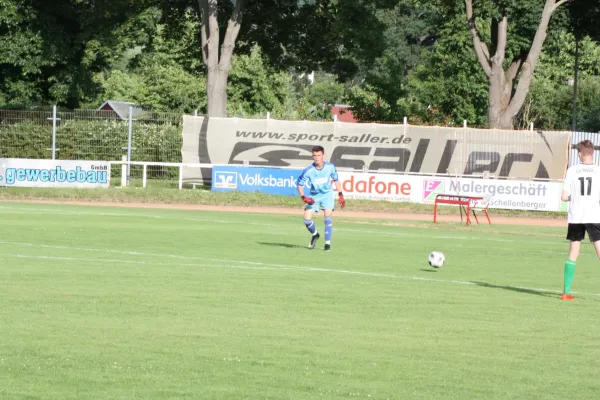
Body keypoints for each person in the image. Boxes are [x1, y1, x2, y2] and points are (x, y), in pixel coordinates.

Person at [560, 139, 600, 300]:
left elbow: (563, 196)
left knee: (573, 253)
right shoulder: (598, 171)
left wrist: (573, 197)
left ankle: (566, 291)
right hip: (593, 216)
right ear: (593, 153)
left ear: (579, 154)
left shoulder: (572, 171)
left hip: (576, 216)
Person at [295, 145, 345, 252]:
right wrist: (304, 197)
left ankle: (327, 244)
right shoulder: (308, 170)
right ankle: (315, 234)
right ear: (312, 156)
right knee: (307, 220)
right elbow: (299, 184)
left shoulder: (330, 167)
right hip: (314, 196)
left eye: (319, 155)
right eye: (315, 155)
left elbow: (336, 180)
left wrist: (340, 194)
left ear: (323, 156)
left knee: (327, 219)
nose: (317, 157)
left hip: (327, 195)